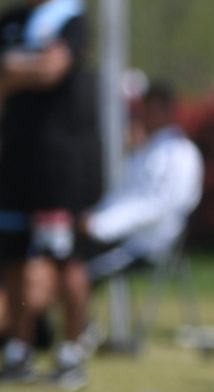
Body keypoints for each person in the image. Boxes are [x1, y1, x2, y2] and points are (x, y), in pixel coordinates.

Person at [0, 0, 102, 390]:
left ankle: (71, 351)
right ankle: (19, 350)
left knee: (64, 258)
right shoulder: (7, 19)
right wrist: (26, 68)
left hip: (61, 163)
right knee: (11, 256)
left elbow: (54, 70)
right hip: (15, 157)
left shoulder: (72, 15)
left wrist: (12, 67)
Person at [81, 81, 203, 283]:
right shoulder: (148, 149)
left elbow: (157, 206)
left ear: (167, 111)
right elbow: (124, 195)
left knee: (73, 273)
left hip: (147, 243)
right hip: (128, 236)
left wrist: (101, 225)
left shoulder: (178, 153)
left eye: (151, 110)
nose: (145, 116)